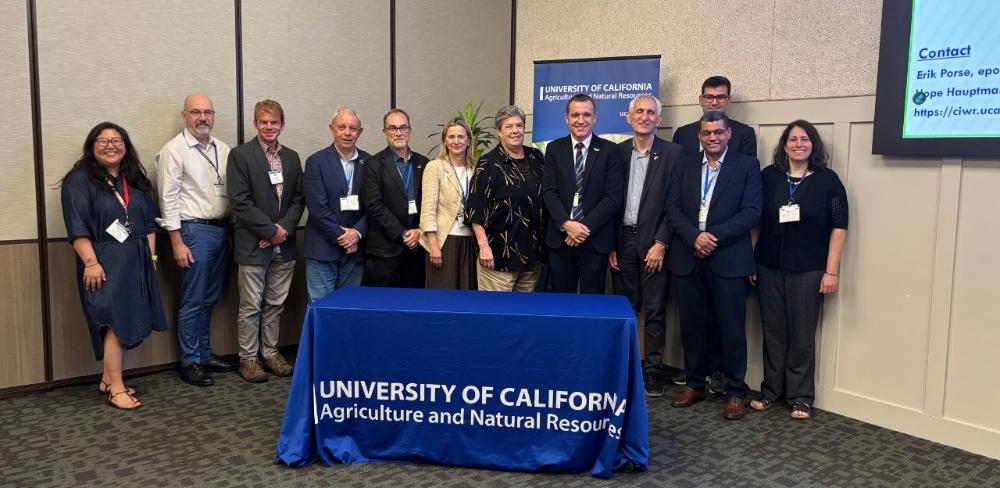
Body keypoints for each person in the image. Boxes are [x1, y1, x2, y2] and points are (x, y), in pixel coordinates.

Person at [60, 122, 167, 409]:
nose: (110, 145)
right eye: (102, 140)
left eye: (117, 140)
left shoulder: (133, 179)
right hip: (103, 262)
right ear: (91, 146)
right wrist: (90, 263)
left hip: (137, 259)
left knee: (125, 320)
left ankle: (109, 378)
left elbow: (148, 225)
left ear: (126, 145)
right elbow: (77, 227)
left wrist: (152, 258)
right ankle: (117, 389)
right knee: (114, 324)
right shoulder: (79, 181)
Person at [749, 120, 848, 420]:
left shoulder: (828, 180)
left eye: (805, 139)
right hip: (768, 267)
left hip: (808, 270)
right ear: (784, 145)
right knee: (773, 332)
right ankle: (770, 392)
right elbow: (756, 221)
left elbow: (839, 227)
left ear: (813, 145)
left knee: (802, 335)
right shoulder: (769, 176)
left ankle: (801, 397)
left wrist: (831, 272)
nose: (798, 144)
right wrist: (750, 260)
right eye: (792, 139)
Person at [666, 112, 761, 420]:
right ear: (699, 136)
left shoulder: (746, 166)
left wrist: (713, 236)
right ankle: (695, 384)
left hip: (728, 257)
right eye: (707, 133)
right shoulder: (684, 165)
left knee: (731, 328)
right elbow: (672, 208)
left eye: (718, 132)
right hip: (688, 255)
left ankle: (736, 391)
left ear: (729, 133)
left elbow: (752, 212)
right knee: (692, 327)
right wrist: (695, 237)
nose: (712, 138)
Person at [155, 93, 236, 387]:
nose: (203, 118)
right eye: (196, 112)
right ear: (184, 115)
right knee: (192, 300)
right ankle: (190, 361)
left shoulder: (223, 149)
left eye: (208, 112)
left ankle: (204, 354)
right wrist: (176, 241)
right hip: (192, 232)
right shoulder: (174, 150)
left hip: (220, 230)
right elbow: (168, 199)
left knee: (209, 297)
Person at [608, 95, 683, 397]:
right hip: (622, 239)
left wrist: (662, 242)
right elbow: (610, 201)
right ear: (628, 117)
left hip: (654, 241)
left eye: (651, 112)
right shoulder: (616, 153)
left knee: (655, 310)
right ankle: (625, 367)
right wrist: (611, 245)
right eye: (639, 111)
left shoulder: (675, 154)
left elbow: (676, 204)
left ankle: (652, 371)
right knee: (625, 309)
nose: (644, 116)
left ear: (659, 119)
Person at [227, 99, 304, 383]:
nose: (269, 127)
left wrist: (282, 230)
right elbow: (240, 200)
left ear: (282, 125)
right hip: (253, 244)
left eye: (274, 122)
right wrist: (269, 231)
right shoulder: (241, 155)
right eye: (263, 122)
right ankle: (248, 359)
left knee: (275, 303)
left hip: (284, 244)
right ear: (255, 124)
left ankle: (270, 354)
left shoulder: (292, 157)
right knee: (250, 306)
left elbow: (298, 198)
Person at [542, 93, 623, 294]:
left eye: (586, 115)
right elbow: (549, 192)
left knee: (592, 305)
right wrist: (567, 225)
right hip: (561, 240)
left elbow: (612, 197)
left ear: (595, 117)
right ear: (566, 118)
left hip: (594, 241)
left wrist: (582, 229)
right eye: (575, 115)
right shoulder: (553, 149)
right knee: (561, 306)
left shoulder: (610, 151)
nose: (581, 120)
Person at [467, 105, 546, 291]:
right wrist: (484, 247)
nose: (515, 130)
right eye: (508, 126)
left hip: (531, 255)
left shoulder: (536, 158)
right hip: (498, 256)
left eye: (519, 125)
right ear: (499, 132)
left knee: (523, 315)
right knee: (495, 314)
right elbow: (476, 208)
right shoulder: (488, 163)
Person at [302, 107, 371, 301]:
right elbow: (317, 207)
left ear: (360, 132)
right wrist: (343, 236)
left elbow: (374, 206)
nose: (347, 132)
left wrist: (356, 234)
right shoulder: (316, 162)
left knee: (348, 309)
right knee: (321, 308)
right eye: (342, 127)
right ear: (332, 129)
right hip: (322, 249)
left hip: (355, 252)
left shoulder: (370, 162)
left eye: (353, 128)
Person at [362, 109, 429, 288]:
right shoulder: (372, 165)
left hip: (417, 249)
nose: (398, 133)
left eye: (403, 127)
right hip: (385, 250)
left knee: (414, 305)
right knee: (382, 307)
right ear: (385, 132)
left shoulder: (424, 163)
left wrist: (419, 232)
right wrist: (403, 233)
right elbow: (374, 205)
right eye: (392, 128)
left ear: (410, 130)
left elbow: (430, 204)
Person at [419, 118, 477, 289]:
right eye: (451, 137)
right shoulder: (435, 167)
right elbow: (428, 209)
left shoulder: (476, 168)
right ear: (444, 140)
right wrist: (433, 246)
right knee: (442, 295)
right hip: (444, 241)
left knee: (468, 294)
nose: (456, 141)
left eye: (461, 137)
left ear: (468, 140)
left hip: (470, 241)